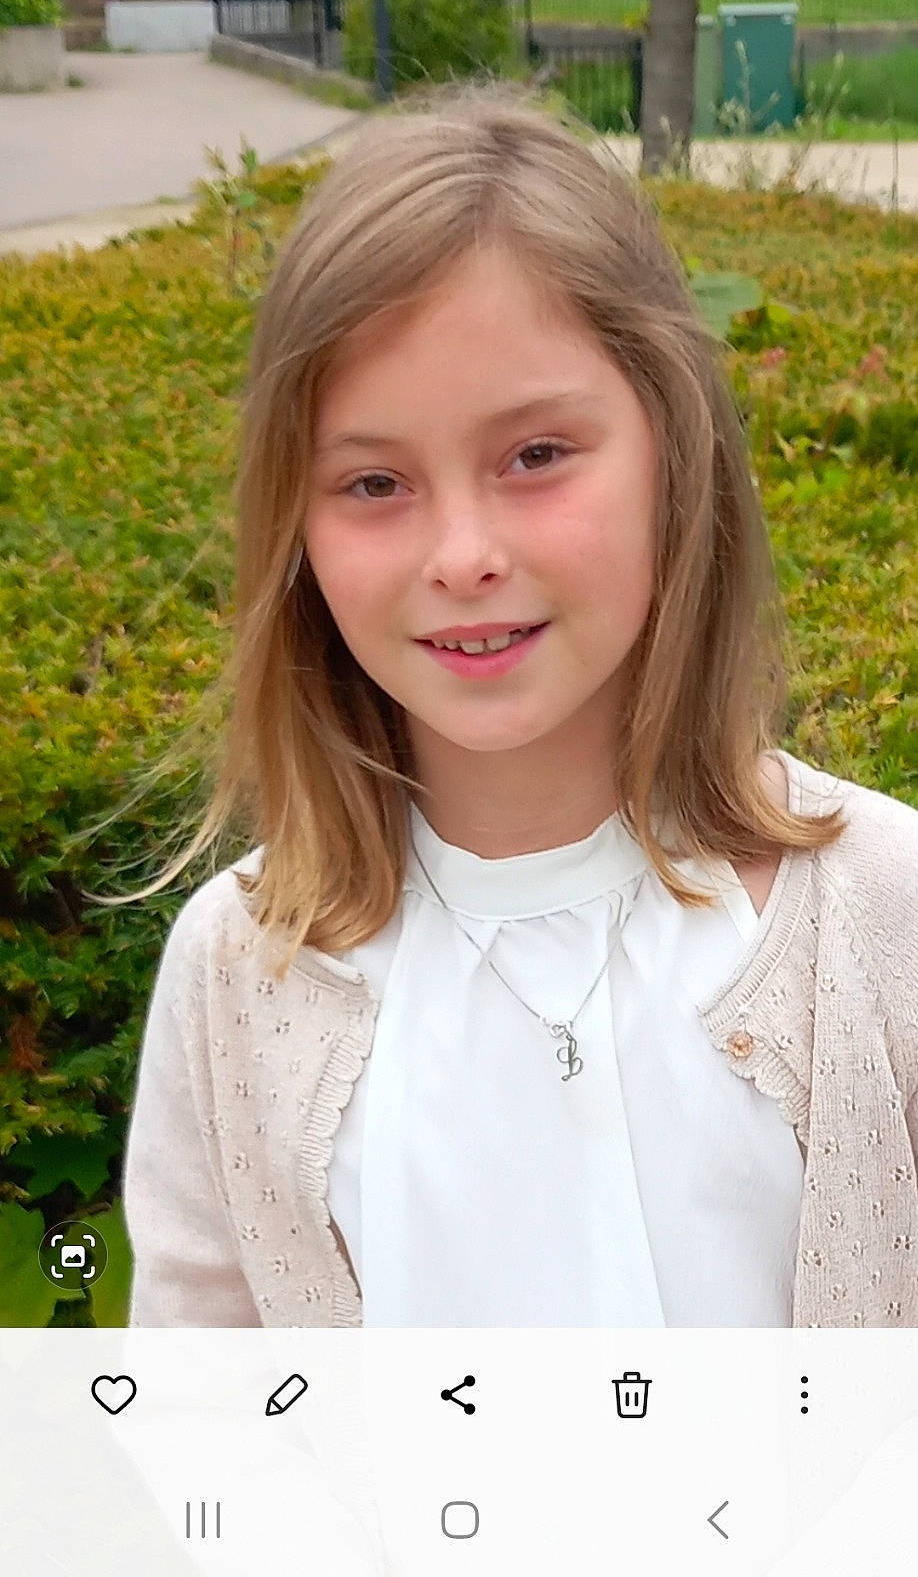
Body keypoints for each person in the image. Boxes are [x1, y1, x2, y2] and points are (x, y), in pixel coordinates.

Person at [120, 88, 918, 1329]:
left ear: (674, 447)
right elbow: (205, 1401)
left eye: (536, 454)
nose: (463, 554)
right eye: (374, 481)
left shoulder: (882, 911)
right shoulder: (238, 975)